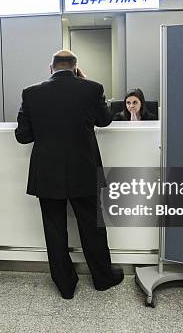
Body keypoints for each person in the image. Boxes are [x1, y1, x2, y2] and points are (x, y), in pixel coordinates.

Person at [15, 49, 123, 299]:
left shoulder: (31, 93)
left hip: (47, 173)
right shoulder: (92, 88)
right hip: (83, 170)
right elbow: (104, 120)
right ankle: (103, 278)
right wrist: (84, 83)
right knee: (91, 226)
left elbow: (23, 136)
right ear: (76, 68)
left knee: (54, 228)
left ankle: (65, 285)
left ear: (50, 67)